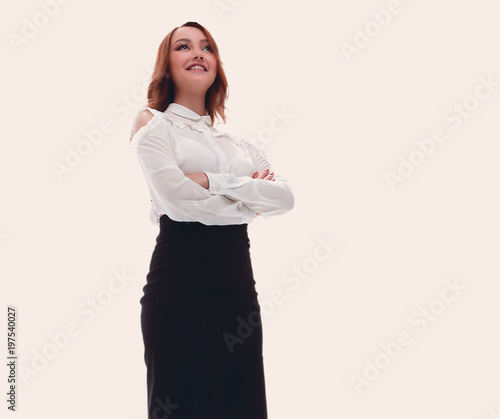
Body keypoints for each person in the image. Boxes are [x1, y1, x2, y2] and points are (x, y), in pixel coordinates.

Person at [129, 21, 294, 419]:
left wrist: (211, 181)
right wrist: (245, 197)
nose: (197, 53)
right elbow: (178, 201)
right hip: (179, 286)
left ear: (217, 64)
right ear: (166, 65)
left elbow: (284, 198)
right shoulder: (153, 126)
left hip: (237, 288)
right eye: (183, 46)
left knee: (242, 405)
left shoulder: (237, 144)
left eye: (207, 47)